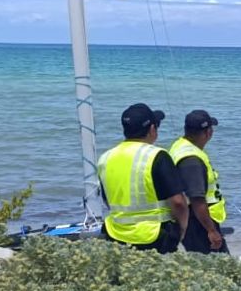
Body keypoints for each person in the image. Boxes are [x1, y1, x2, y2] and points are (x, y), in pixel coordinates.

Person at [97, 103, 188, 253]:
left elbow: (107, 200)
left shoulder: (105, 158)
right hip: (154, 236)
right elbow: (178, 202)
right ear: (152, 129)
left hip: (116, 234)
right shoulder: (157, 155)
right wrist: (182, 229)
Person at [170, 109, 229, 254]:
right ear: (208, 132)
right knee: (220, 265)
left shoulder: (180, 146)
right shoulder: (192, 160)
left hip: (193, 220)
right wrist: (211, 230)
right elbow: (196, 199)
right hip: (198, 223)